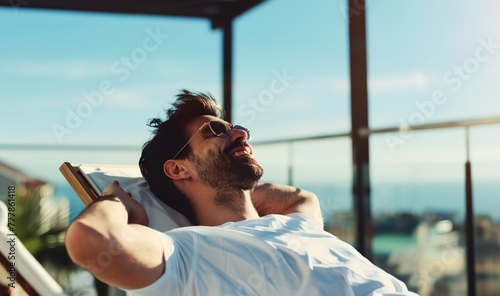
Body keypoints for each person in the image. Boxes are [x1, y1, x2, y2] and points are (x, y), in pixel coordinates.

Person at [65, 90, 418, 295]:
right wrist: (115, 200)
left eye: (235, 128)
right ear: (178, 169)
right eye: (216, 131)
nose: (241, 134)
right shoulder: (186, 253)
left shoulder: (297, 222)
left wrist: (229, 183)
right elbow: (91, 240)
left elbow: (301, 197)